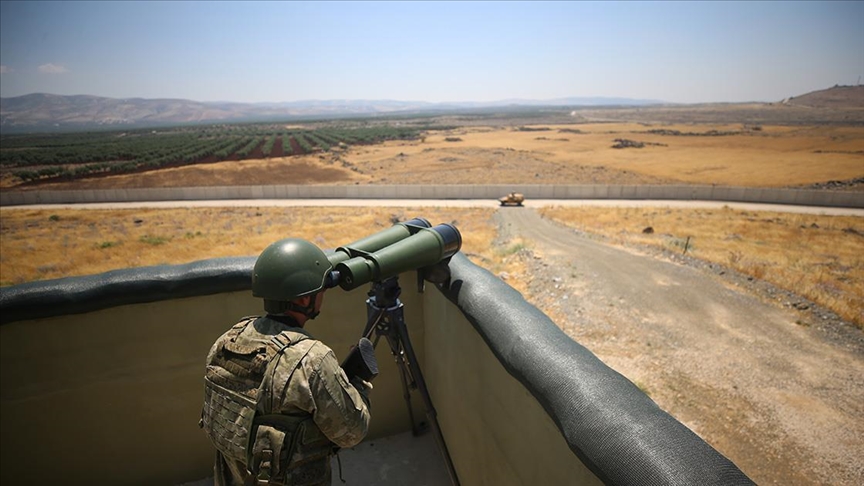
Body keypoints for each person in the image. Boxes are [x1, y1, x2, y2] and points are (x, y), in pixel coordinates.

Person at [200, 238, 372, 486]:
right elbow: (352, 432)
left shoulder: (226, 341)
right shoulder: (312, 360)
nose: (323, 294)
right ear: (303, 300)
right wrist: (358, 384)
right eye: (320, 288)